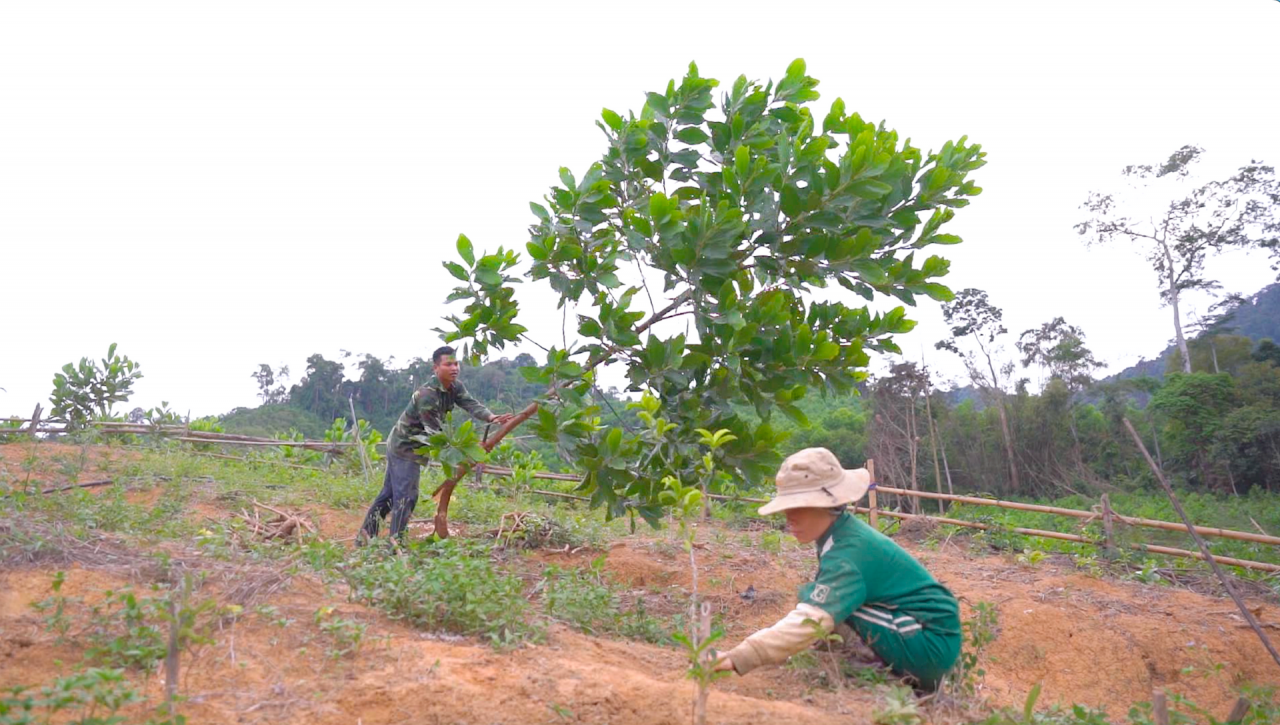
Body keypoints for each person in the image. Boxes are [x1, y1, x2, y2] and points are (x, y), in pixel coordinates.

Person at [713, 447, 961, 691]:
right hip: (924, 637)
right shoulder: (839, 534)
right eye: (787, 509)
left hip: (930, 645)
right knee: (817, 598)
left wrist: (739, 656)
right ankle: (860, 664)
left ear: (827, 505)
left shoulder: (848, 554)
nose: (790, 519)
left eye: (798, 507)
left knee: (826, 609)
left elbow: (811, 620)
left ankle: (877, 677)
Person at [356, 345, 513, 544]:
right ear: (436, 368)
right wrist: (470, 450)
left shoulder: (455, 386)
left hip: (415, 445)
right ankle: (396, 544)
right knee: (406, 497)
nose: (455, 368)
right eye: (449, 364)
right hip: (405, 447)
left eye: (456, 364)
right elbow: (436, 434)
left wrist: (492, 417)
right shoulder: (426, 396)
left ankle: (365, 537)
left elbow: (470, 403)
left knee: (389, 495)